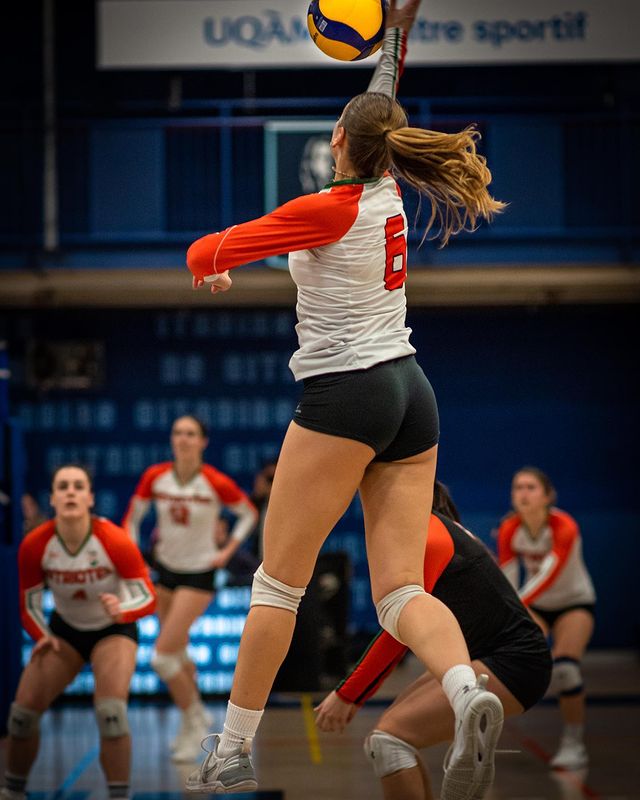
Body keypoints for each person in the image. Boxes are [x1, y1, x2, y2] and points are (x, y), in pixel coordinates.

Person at [184, 0, 506, 795]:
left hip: (346, 396)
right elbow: (382, 94)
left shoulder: (323, 211)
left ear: (336, 141)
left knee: (277, 584)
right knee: (400, 591)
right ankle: (465, 690)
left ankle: (231, 751)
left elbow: (200, 250)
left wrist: (216, 263)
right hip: (411, 391)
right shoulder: (388, 185)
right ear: (385, 146)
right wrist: (396, 30)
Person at [314, 481, 551, 799]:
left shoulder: (425, 537)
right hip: (494, 655)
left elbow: (398, 633)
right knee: (389, 739)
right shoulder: (439, 527)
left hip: (512, 661)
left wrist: (348, 694)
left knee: (388, 742)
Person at [1, 465, 156, 800]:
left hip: (114, 630)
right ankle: (12, 791)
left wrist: (123, 609)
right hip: (63, 632)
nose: (70, 492)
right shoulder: (35, 544)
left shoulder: (113, 539)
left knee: (111, 714)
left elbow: (148, 597)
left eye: (78, 486)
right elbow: (29, 604)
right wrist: (42, 636)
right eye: (63, 486)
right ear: (53, 499)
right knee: (21, 716)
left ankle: (119, 795)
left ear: (90, 498)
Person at [122, 415, 258, 762]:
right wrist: (135, 558)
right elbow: (132, 519)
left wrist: (227, 551)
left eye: (190, 433)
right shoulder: (155, 476)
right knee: (178, 650)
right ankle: (194, 715)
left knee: (162, 657)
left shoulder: (214, 481)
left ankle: (193, 720)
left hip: (199, 575)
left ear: (203, 441)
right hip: (165, 570)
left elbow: (248, 514)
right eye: (178, 433)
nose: (183, 439)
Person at [497, 466, 596, 770]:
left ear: (547, 495)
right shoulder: (510, 529)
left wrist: (516, 605)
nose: (523, 494)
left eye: (531, 487)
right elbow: (507, 579)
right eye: (518, 488)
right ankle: (485, 739)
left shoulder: (564, 525)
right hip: (536, 605)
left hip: (574, 603)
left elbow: (548, 575)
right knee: (508, 662)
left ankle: (574, 744)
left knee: (566, 670)